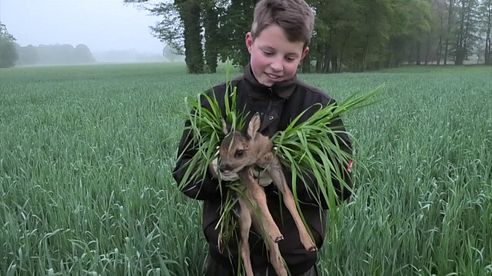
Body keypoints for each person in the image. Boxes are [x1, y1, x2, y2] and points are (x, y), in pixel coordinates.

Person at [172, 0, 352, 275]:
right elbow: (184, 173)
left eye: (289, 58)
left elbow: (340, 185)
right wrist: (215, 170)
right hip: (228, 264)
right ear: (249, 42)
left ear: (303, 54)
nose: (277, 65)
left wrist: (282, 172)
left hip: (296, 265)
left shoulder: (320, 108)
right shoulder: (213, 102)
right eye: (268, 52)